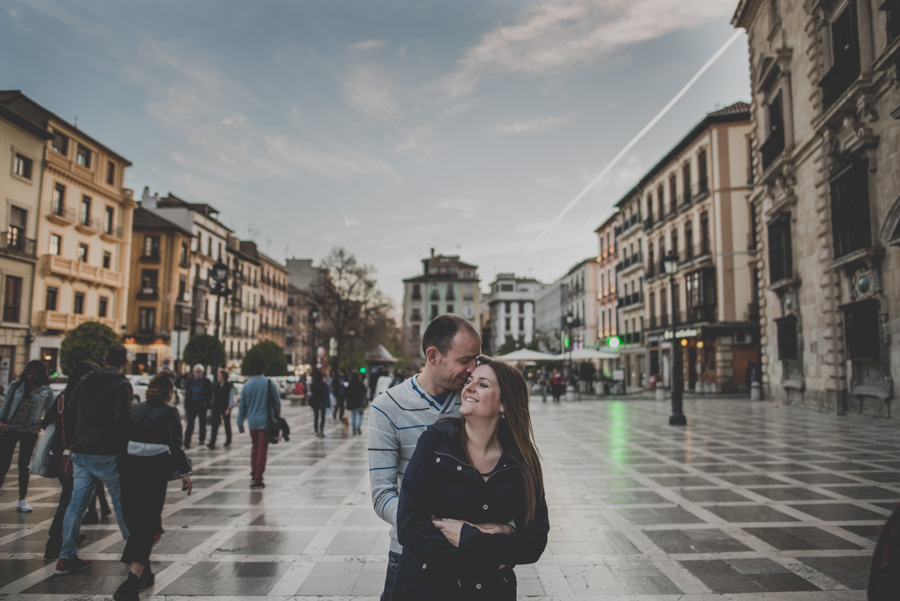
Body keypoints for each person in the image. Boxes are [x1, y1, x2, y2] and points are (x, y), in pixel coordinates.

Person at [392, 357, 549, 600]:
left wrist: (470, 538)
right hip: (427, 589)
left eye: (483, 384)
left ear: (504, 404)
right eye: (469, 381)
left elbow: (534, 541)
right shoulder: (435, 442)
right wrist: (490, 557)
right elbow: (410, 526)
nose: (469, 387)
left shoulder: (522, 461)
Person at [368, 314, 487, 601]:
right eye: (465, 360)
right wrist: (427, 528)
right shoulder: (387, 408)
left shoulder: (476, 399)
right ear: (433, 356)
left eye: (477, 359)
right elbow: (382, 494)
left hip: (472, 551)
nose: (473, 370)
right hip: (410, 555)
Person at [113, 372, 192, 601]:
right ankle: (131, 582)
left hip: (128, 470)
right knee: (147, 525)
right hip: (153, 472)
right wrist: (185, 472)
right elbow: (176, 445)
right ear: (169, 393)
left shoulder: (135, 410)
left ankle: (143, 574)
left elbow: (122, 437)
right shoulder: (170, 413)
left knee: (138, 522)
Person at [55, 344, 133, 575]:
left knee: (75, 504)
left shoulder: (84, 381)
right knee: (121, 503)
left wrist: (71, 444)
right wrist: (124, 448)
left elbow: (69, 414)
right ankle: (135, 553)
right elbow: (123, 419)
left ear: (105, 357)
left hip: (81, 451)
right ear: (124, 362)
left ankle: (66, 556)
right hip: (107, 453)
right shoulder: (121, 384)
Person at [43, 361, 99, 559]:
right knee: (72, 501)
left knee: (70, 500)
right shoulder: (87, 398)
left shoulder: (63, 396)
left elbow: (45, 420)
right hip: (78, 455)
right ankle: (55, 543)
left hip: (60, 455)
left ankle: (64, 539)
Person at [0, 360, 55, 513]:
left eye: (34, 374)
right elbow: (6, 405)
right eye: (29, 373)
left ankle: (22, 499)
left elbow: (49, 412)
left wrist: (43, 427)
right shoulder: (16, 386)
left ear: (40, 375)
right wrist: (1, 421)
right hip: (11, 428)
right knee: (2, 464)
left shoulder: (46, 390)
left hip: (30, 431)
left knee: (24, 465)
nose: (31, 377)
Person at [237, 358, 280, 489]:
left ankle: (253, 471)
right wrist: (276, 415)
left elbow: (242, 406)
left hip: (252, 423)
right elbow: (276, 402)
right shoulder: (268, 383)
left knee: (255, 447)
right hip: (265, 422)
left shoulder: (247, 385)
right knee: (262, 450)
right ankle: (258, 478)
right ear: (263, 369)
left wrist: (240, 423)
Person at [183, 364, 212, 449]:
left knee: (202, 423)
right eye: (196, 372)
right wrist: (186, 405)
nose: (197, 373)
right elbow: (187, 393)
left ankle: (201, 439)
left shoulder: (206, 381)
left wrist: (207, 404)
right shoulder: (191, 381)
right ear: (193, 372)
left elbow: (209, 393)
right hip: (192, 404)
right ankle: (187, 440)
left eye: (199, 372)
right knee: (190, 423)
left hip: (201, 404)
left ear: (202, 372)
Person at [207, 368, 234, 449]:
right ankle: (212, 442)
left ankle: (228, 439)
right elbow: (214, 397)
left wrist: (229, 408)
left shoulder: (229, 386)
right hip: (217, 406)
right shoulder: (216, 385)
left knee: (227, 424)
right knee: (214, 425)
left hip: (225, 406)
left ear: (223, 376)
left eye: (219, 375)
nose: (218, 376)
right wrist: (212, 407)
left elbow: (231, 397)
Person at [308, 370, 329, 437]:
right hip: (322, 401)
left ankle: (316, 431)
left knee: (316, 417)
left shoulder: (313, 384)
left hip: (315, 402)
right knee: (322, 417)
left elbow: (312, 392)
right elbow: (326, 393)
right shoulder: (324, 384)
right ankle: (321, 430)